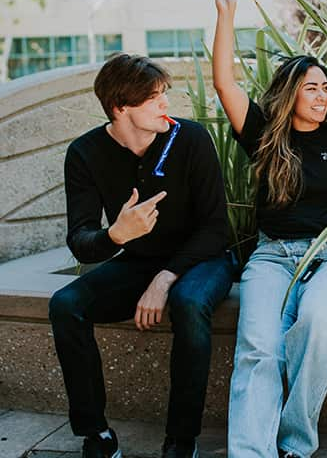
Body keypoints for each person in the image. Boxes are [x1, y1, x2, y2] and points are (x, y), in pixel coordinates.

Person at [211, 0, 327, 456]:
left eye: (326, 87)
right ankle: (250, 452)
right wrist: (227, 13)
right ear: (290, 93)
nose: (323, 95)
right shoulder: (265, 136)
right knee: (259, 349)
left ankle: (294, 444)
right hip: (271, 256)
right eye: (312, 87)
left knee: (318, 326)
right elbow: (225, 83)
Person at [48, 53, 235, 458]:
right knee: (66, 305)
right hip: (137, 262)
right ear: (120, 108)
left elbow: (217, 227)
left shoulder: (190, 138)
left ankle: (181, 441)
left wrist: (165, 277)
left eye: (163, 94)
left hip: (203, 259)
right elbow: (80, 239)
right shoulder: (84, 153)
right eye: (152, 98)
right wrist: (116, 235)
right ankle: (96, 434)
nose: (165, 104)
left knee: (187, 303)